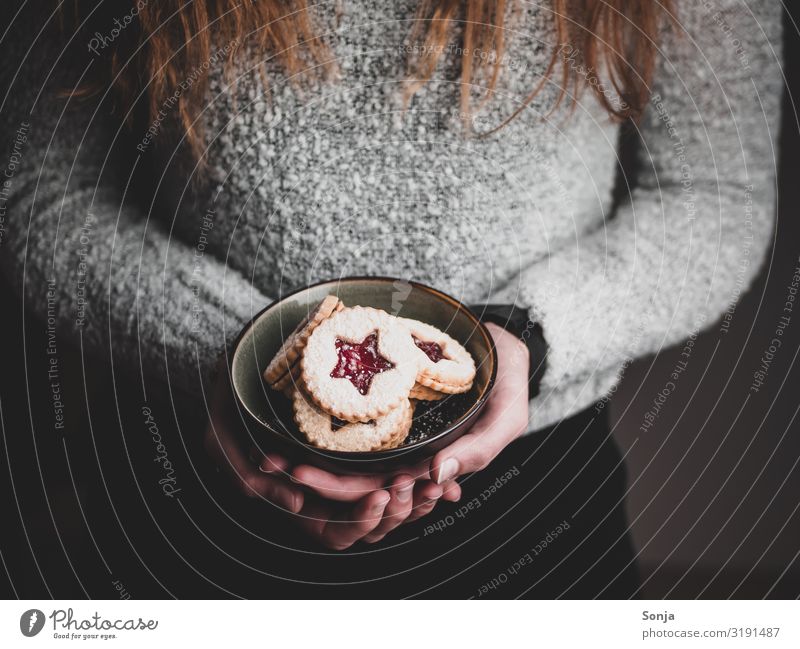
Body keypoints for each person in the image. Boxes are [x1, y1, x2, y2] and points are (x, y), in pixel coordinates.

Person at [0, 0, 782, 597]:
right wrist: (241, 357)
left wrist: (526, 337)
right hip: (202, 469)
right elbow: (41, 194)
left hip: (536, 500)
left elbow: (713, 191)